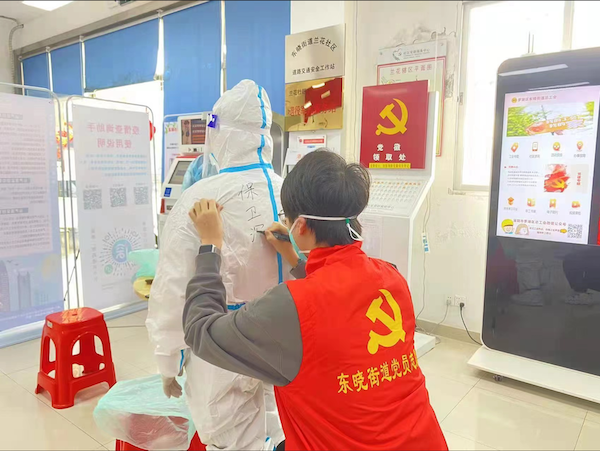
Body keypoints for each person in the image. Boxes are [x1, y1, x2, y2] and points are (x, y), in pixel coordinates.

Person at [182, 150, 448, 450]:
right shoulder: (392, 277)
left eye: (287, 218)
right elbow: (339, 294)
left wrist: (210, 246)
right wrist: (294, 258)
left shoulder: (288, 307)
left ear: (301, 226)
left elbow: (200, 331)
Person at [146, 80, 286, 450]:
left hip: (219, 343)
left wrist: (168, 360)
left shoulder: (200, 198)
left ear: (220, 133)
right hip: (283, 342)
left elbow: (174, 286)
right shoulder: (289, 192)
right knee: (280, 427)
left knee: (230, 437)